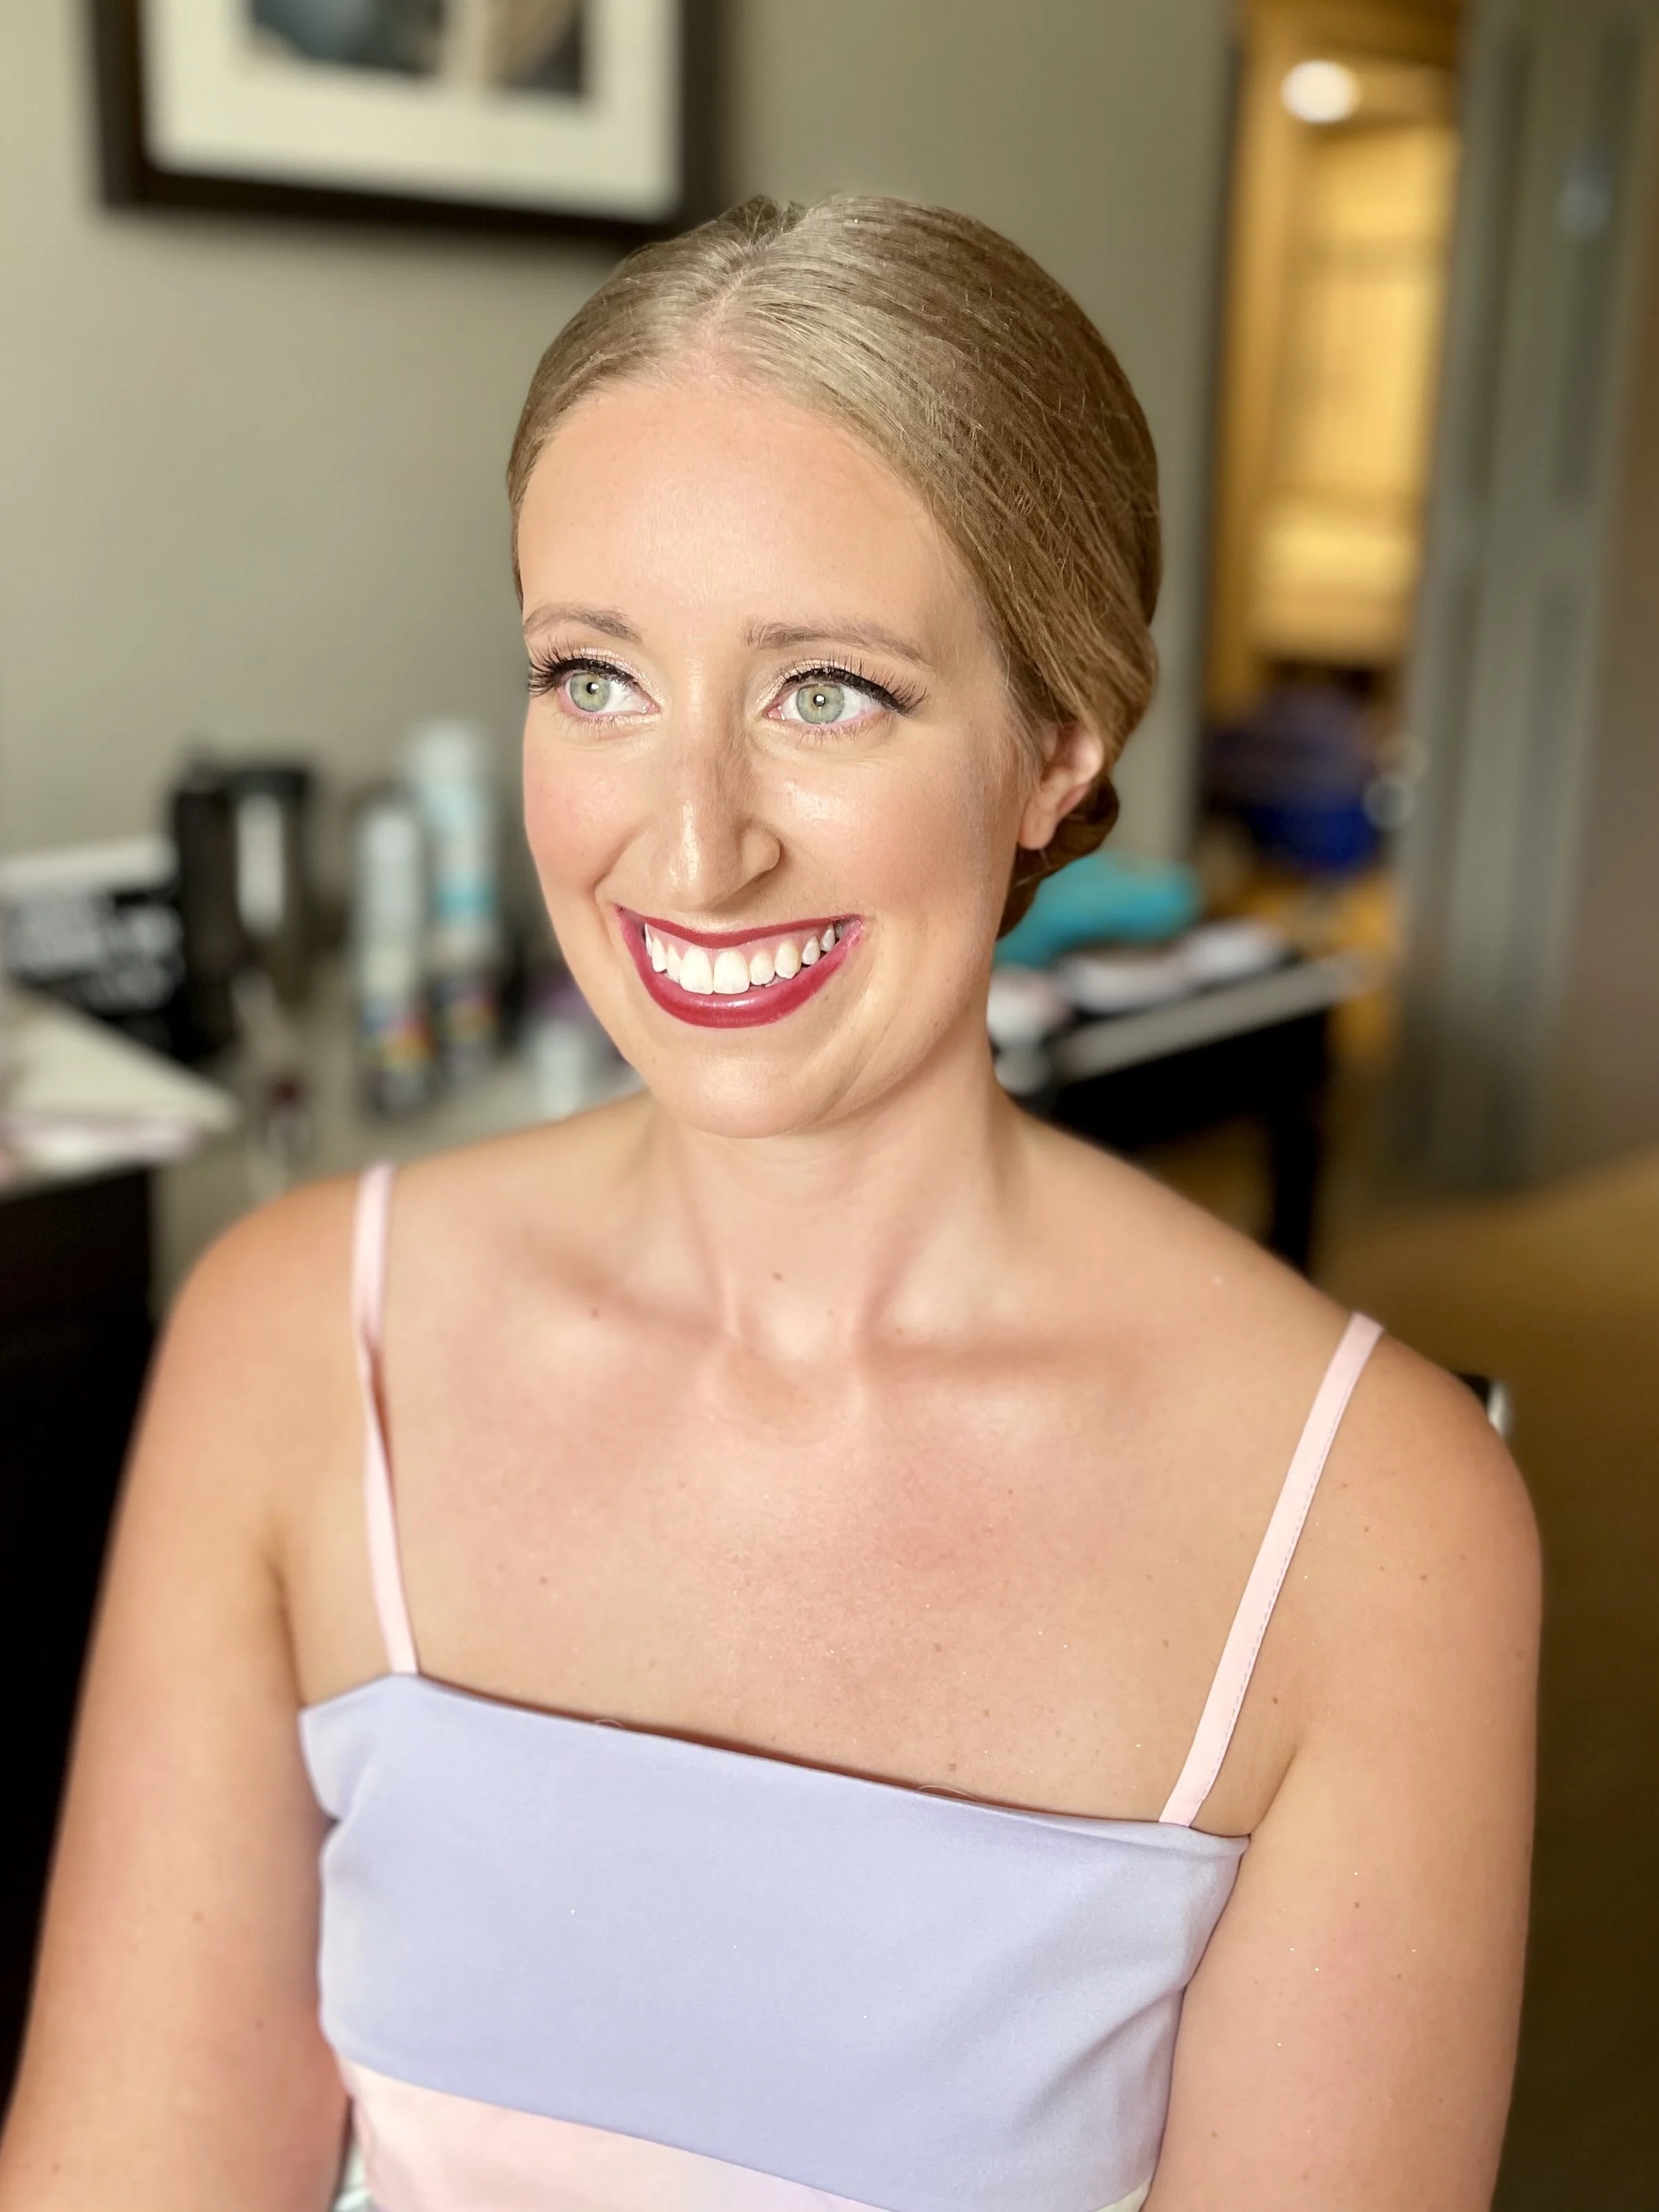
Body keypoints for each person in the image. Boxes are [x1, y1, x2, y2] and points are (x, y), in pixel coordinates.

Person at [0, 196, 1538, 2212]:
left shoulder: (1377, 1525)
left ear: (1059, 748)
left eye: (830, 690)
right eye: (597, 676)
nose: (693, 844)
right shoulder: (300, 1337)